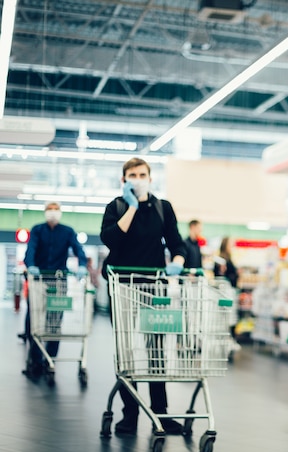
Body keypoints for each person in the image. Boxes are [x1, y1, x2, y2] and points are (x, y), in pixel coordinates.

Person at [100, 157, 187, 436]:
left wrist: (178, 261)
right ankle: (130, 414)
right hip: (122, 286)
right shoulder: (116, 207)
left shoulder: (163, 208)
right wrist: (132, 208)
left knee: (156, 351)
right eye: (131, 175)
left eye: (142, 174)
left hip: (153, 287)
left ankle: (160, 413)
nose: (137, 179)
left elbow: (176, 242)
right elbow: (111, 239)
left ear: (150, 178)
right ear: (123, 180)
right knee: (126, 352)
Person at [21, 201, 88, 378]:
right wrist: (31, 265)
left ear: (60, 212)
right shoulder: (37, 230)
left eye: (55, 209)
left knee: (54, 321)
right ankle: (35, 359)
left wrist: (82, 265)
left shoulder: (67, 231)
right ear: (45, 212)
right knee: (33, 319)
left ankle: (49, 357)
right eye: (49, 209)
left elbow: (79, 250)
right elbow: (31, 250)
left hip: (58, 280)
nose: (52, 212)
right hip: (38, 279)